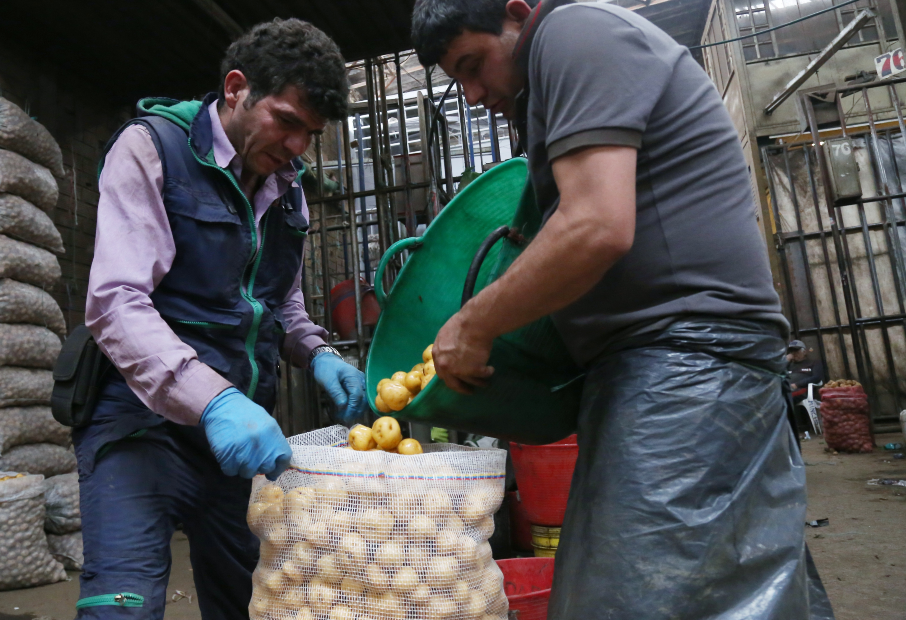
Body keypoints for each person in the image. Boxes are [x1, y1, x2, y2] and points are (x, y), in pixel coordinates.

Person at [411, 1, 834, 618]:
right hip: (683, 366)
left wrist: (473, 323)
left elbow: (596, 225)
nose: (474, 94)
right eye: (458, 80)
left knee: (625, 598)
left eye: (474, 65)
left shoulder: (572, 33)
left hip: (688, 362)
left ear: (516, 13)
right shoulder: (555, 77)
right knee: (737, 581)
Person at [75, 19, 366, 619]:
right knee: (120, 604)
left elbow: (277, 301)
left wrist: (317, 354)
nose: (295, 147)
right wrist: (214, 401)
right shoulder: (152, 148)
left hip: (234, 442)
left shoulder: (288, 187)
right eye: (286, 121)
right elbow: (116, 301)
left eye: (309, 134)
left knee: (252, 603)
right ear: (236, 89)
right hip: (141, 423)